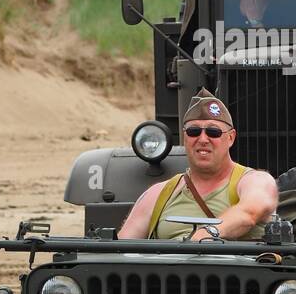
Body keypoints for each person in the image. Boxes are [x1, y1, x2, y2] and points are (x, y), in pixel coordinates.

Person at [118, 89, 278, 242]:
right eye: (193, 131)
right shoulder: (159, 194)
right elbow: (121, 248)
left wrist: (207, 234)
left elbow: (250, 212)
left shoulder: (256, 181)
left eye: (213, 132)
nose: (202, 139)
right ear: (184, 137)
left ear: (230, 138)